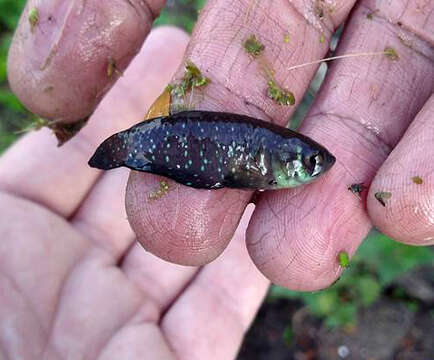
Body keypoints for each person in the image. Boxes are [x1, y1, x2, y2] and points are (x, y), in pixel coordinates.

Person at [1, 0, 433, 358]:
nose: (314, 171)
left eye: (309, 165)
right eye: (306, 164)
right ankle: (121, 148)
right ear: (280, 162)